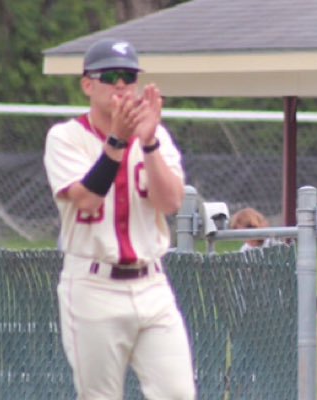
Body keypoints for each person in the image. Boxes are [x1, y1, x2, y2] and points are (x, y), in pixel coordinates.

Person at [43, 38, 196, 400]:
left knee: (178, 394)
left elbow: (171, 202)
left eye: (129, 76)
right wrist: (117, 142)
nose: (122, 85)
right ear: (87, 84)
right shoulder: (66, 137)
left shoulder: (155, 137)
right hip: (94, 284)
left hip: (152, 283)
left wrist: (149, 144)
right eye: (111, 75)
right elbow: (85, 200)